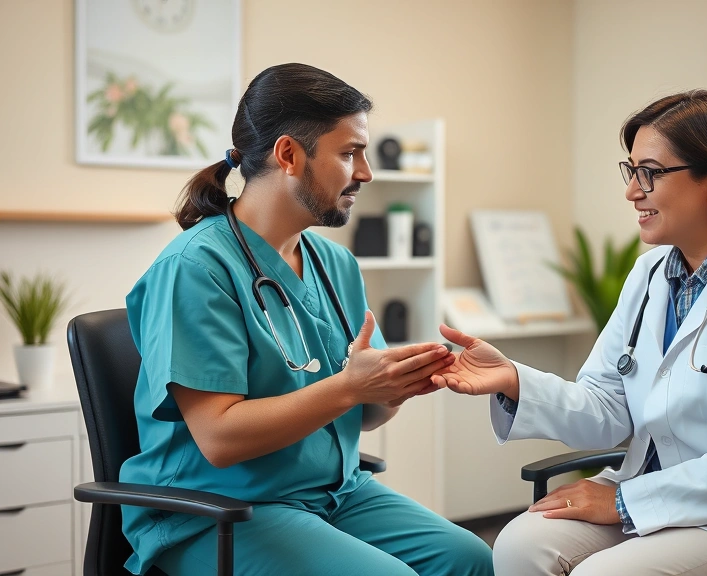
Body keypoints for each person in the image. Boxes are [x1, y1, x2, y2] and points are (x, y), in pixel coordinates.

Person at [432, 89, 707, 576]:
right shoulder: (650, 274)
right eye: (631, 171)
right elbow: (607, 406)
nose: (631, 191)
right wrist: (514, 379)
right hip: (666, 500)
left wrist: (623, 500)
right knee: (520, 545)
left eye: (651, 173)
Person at [120, 63, 493, 576]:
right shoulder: (196, 268)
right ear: (289, 154)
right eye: (349, 153)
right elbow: (219, 438)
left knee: (473, 560)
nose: (365, 172)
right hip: (217, 510)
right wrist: (350, 388)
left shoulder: (333, 263)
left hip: (334, 493)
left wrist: (396, 385)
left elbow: (364, 412)